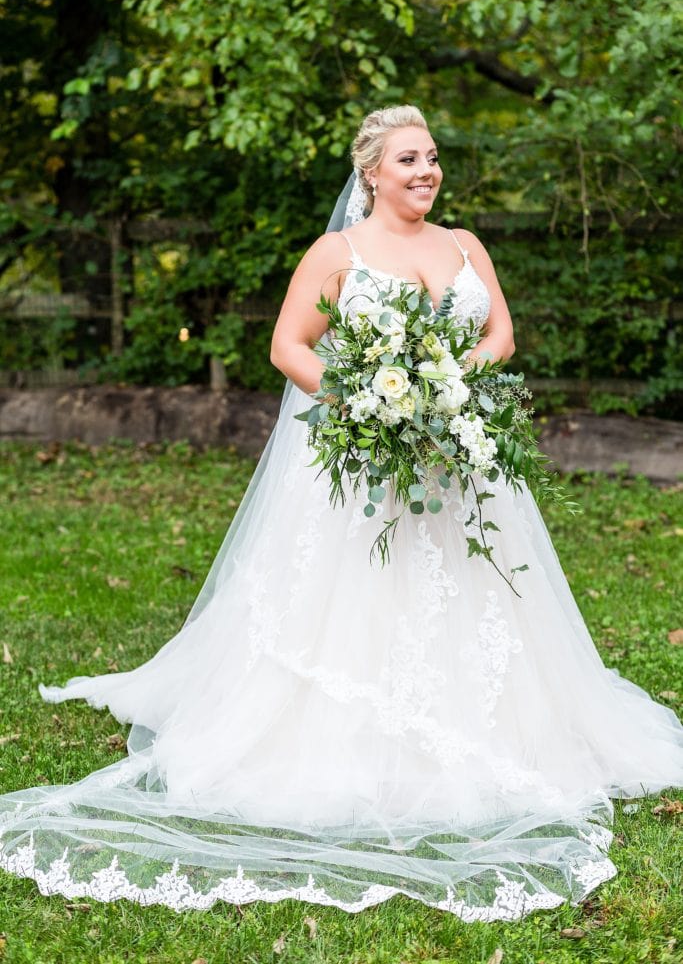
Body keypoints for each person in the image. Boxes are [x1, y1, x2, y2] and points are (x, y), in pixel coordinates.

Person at [1, 105, 682, 923]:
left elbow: (499, 332)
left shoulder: (465, 245)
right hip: (367, 462)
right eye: (407, 160)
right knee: (358, 595)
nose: (425, 171)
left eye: (432, 157)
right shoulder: (337, 254)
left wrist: (449, 382)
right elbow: (288, 346)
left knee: (481, 589)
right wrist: (362, 401)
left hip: (456, 455)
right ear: (371, 173)